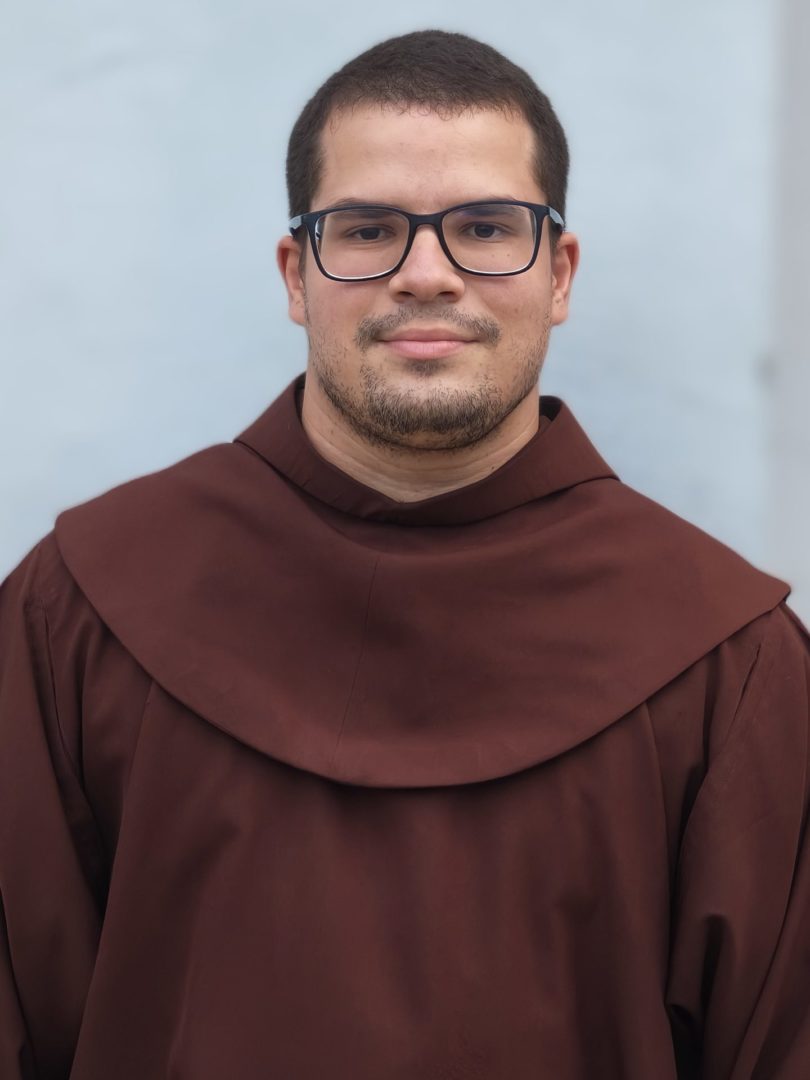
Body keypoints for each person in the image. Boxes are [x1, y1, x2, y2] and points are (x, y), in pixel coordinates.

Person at [1, 29, 808, 1080]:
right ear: (298, 274)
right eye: (369, 229)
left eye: (485, 227)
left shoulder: (729, 664)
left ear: (559, 273)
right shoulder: (77, 613)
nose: (427, 275)